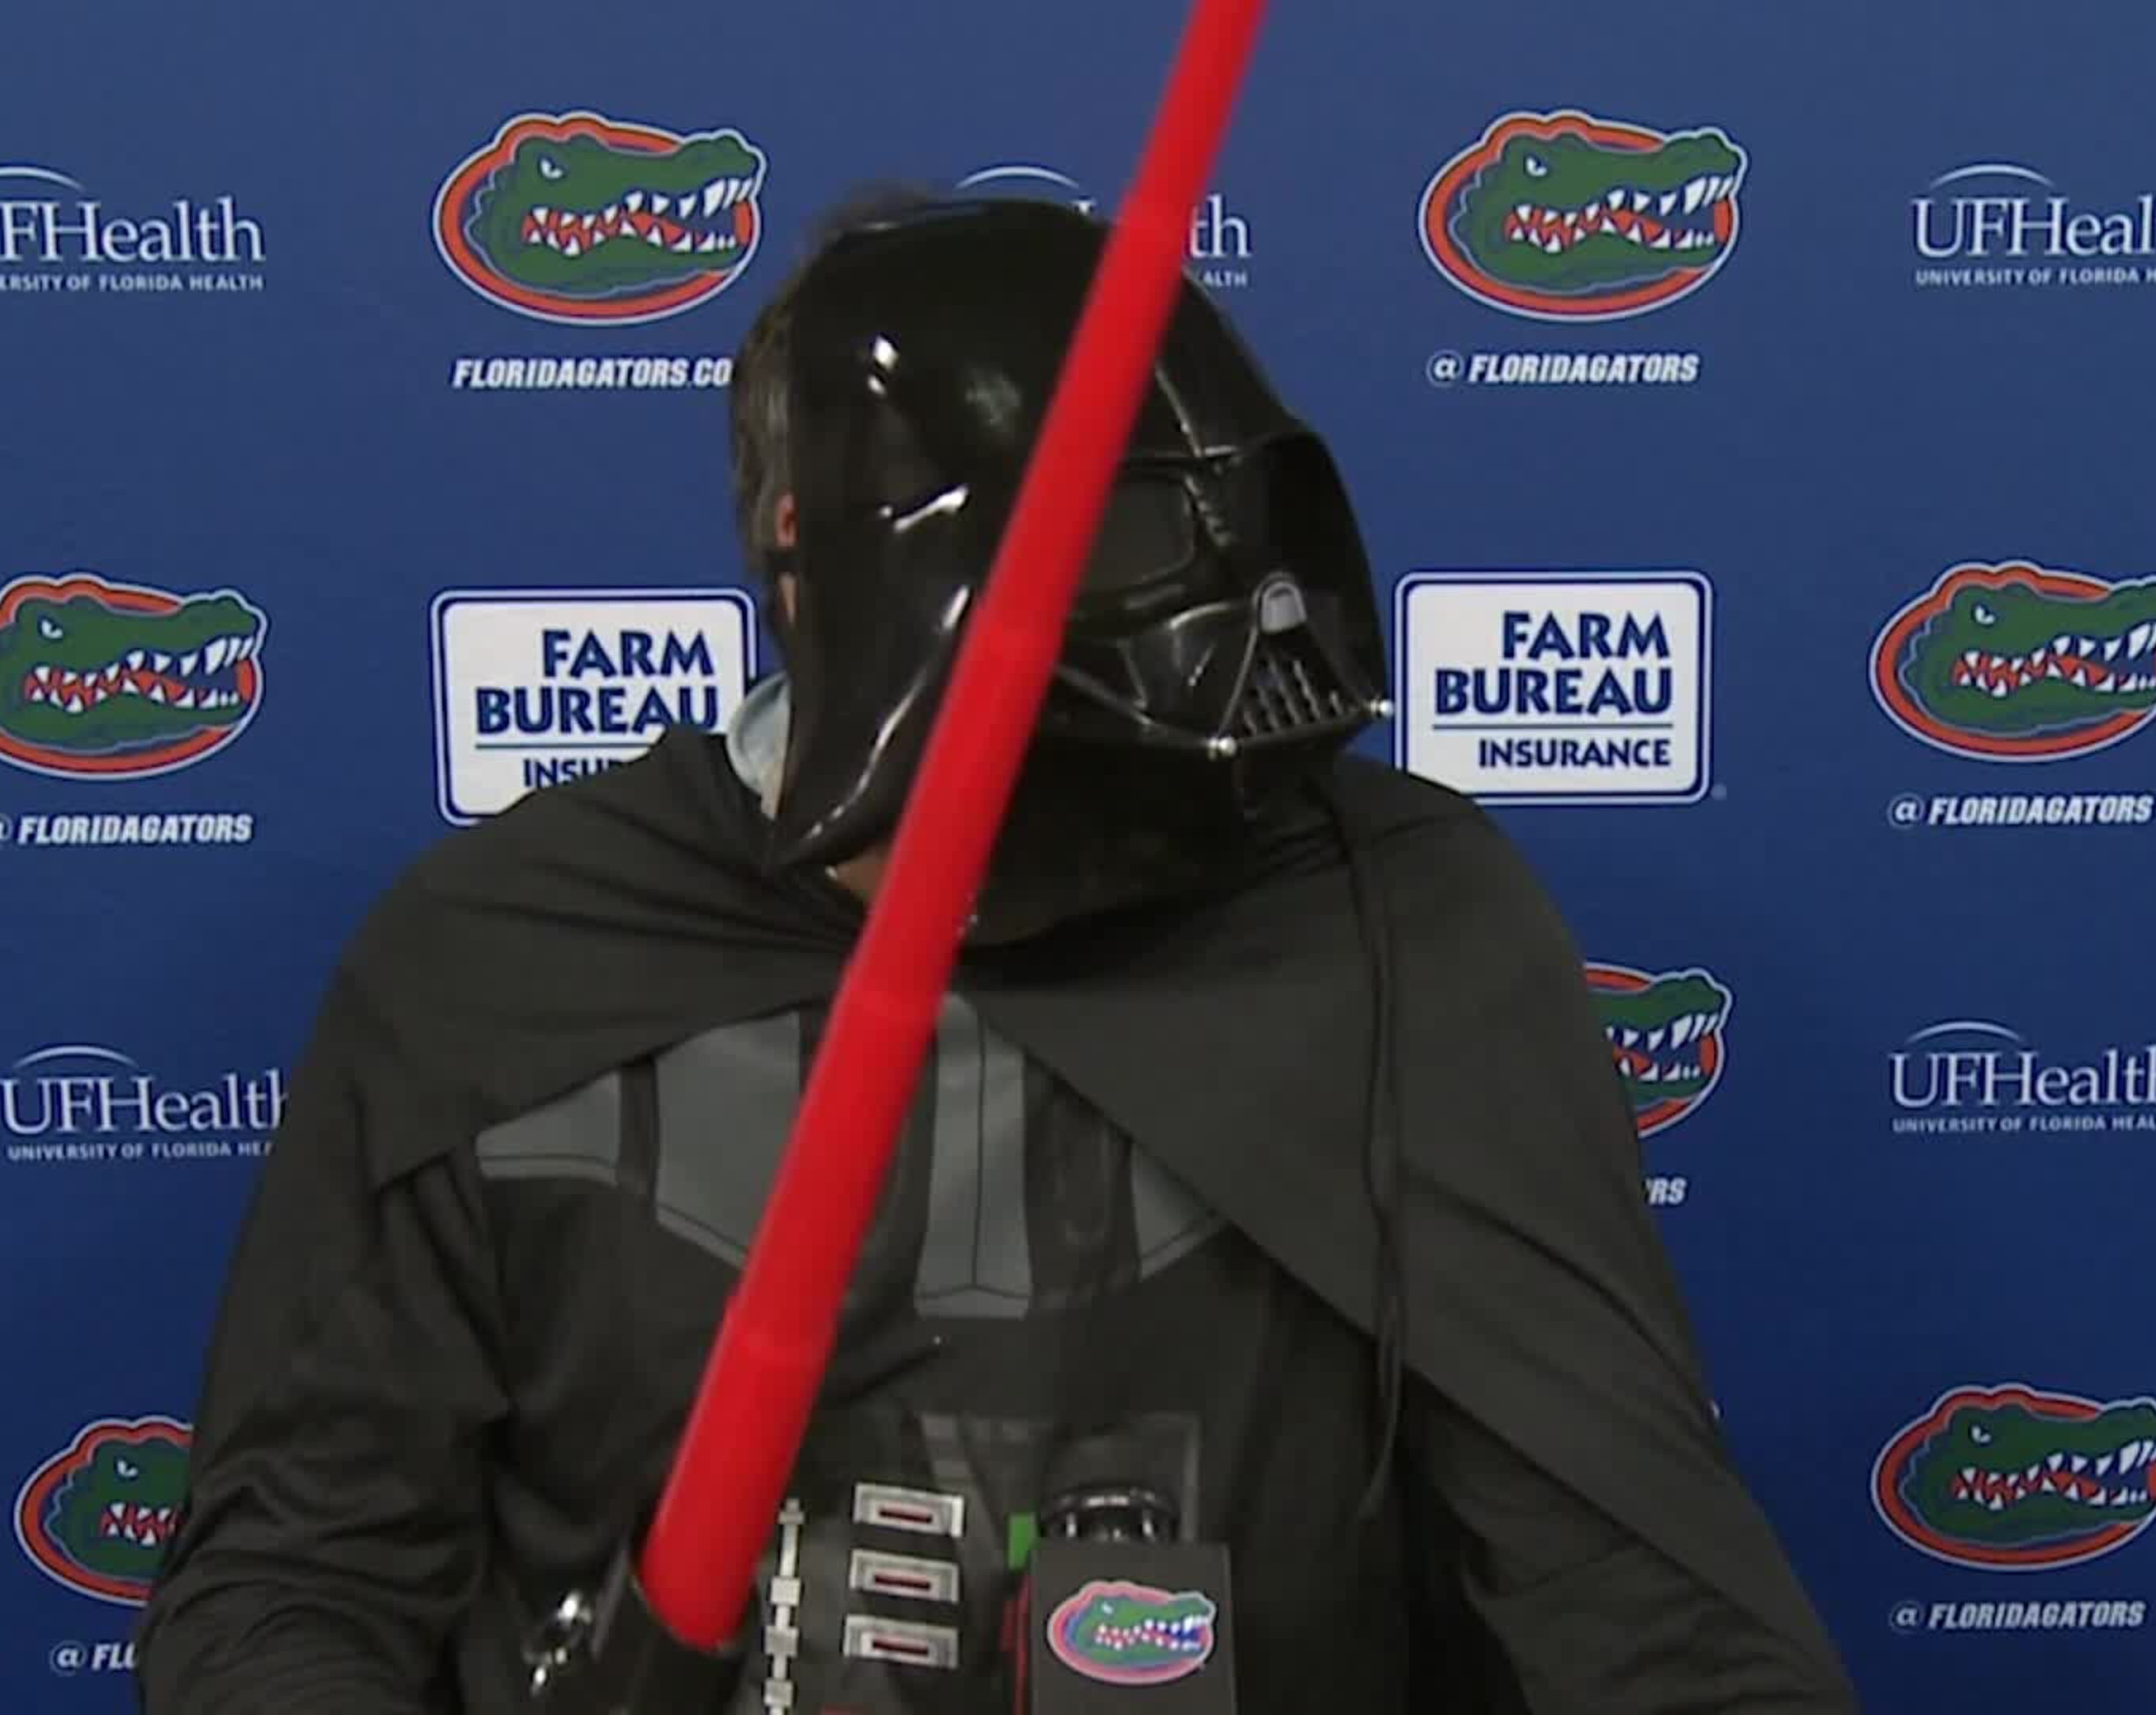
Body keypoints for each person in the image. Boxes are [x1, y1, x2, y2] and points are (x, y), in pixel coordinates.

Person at [135, 190, 1856, 1714]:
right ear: (806, 561)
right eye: (1079, 548)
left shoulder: (1392, 932)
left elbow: (1628, 1595)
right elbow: (299, 1583)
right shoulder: (504, 971)